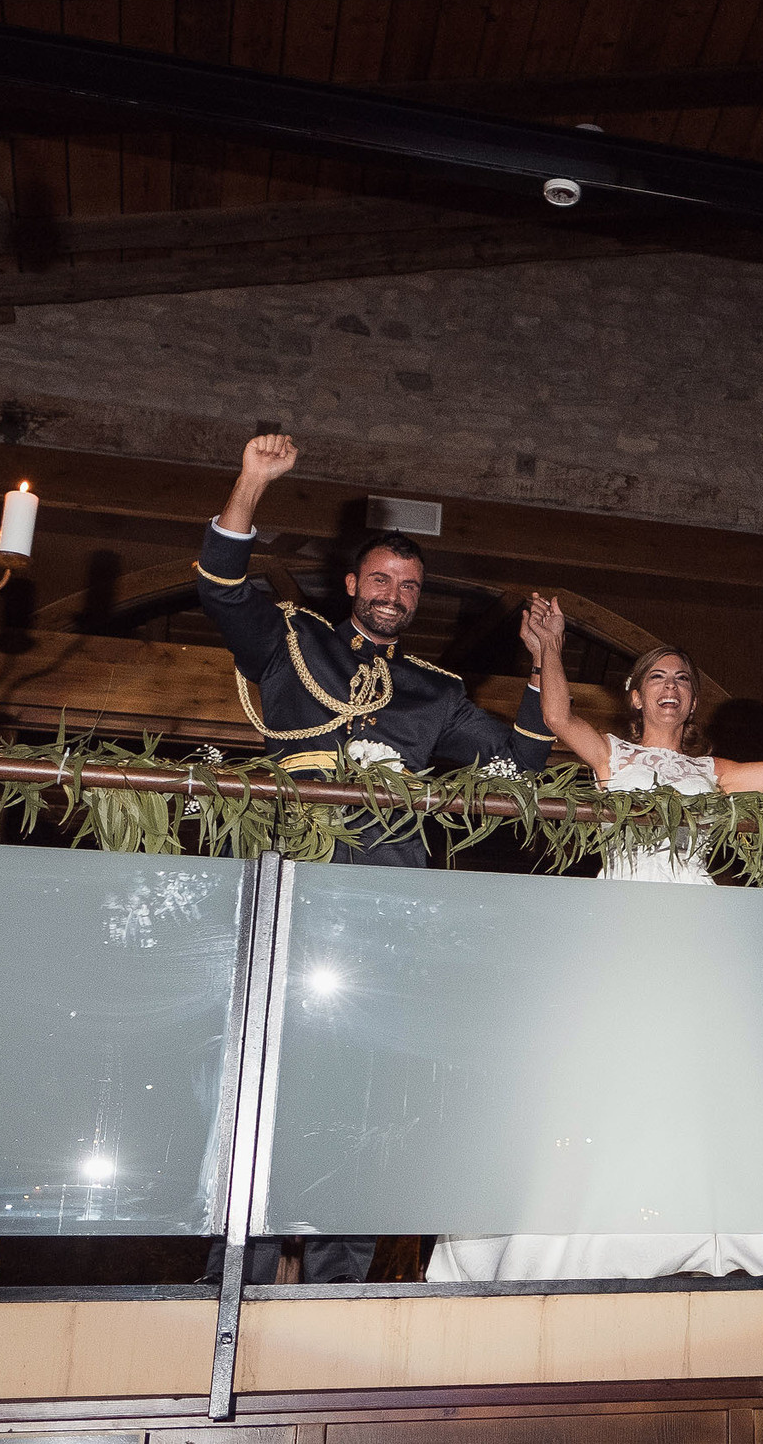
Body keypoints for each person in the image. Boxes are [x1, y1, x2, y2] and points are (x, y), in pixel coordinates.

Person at [195, 432, 561, 1287]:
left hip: (387, 914)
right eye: (382, 580)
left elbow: (524, 765)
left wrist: (544, 663)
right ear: (353, 585)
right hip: (289, 891)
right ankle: (222, 1289)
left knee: (363, 1102)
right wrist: (252, 482)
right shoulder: (292, 645)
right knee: (261, 1089)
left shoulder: (435, 692)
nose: (395, 595)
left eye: (410, 586)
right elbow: (218, 586)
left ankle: (335, 1295)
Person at [426, 614, 763, 1282]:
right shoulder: (612, 756)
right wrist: (549, 648)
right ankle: (578, 1234)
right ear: (635, 696)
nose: (670, 686)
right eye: (657, 676)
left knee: (709, 1069)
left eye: (682, 679)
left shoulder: (711, 769)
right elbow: (555, 713)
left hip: (694, 927)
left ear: (692, 702)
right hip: (623, 920)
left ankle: (722, 1225)